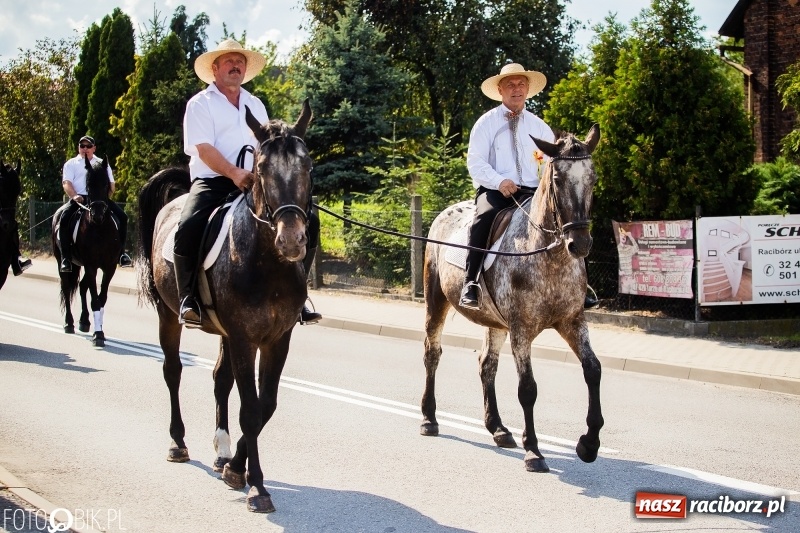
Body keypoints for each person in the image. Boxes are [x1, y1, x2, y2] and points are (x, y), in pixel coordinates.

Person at [176, 38, 322, 327]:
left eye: (240, 62)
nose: (236, 66)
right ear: (215, 68)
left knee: (310, 219)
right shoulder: (200, 104)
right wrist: (233, 172)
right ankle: (188, 299)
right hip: (213, 182)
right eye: (229, 61)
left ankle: (298, 296)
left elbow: (267, 147)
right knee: (189, 225)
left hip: (256, 184)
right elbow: (203, 149)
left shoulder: (255, 103)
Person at [460, 62, 555, 309]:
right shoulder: (486, 123)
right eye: (510, 85)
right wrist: (498, 181)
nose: (516, 89)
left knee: (565, 218)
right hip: (495, 190)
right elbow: (475, 161)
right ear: (500, 90)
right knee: (484, 218)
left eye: (521, 84)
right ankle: (471, 282)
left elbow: (551, 163)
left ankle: (580, 285)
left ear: (527, 90)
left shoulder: (539, 126)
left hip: (533, 193)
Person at [59, 135, 132, 273]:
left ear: (94, 148)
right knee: (64, 219)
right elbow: (66, 183)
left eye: (88, 146)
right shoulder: (71, 164)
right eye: (82, 146)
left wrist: (105, 198)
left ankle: (122, 254)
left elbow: (111, 184)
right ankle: (66, 258)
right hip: (79, 199)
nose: (85, 149)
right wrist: (74, 196)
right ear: (78, 148)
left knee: (122, 217)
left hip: (99, 200)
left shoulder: (102, 163)